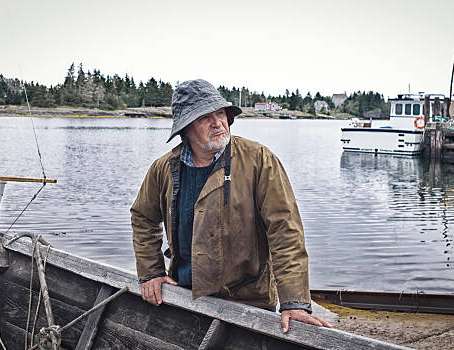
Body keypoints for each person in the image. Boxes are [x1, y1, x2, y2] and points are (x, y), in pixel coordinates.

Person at [131, 79, 330, 333]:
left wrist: (294, 303)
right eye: (205, 117)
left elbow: (285, 231)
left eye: (220, 113)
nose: (218, 123)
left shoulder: (259, 160)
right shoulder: (164, 168)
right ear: (186, 127)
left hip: (250, 302)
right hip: (185, 296)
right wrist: (151, 273)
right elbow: (143, 217)